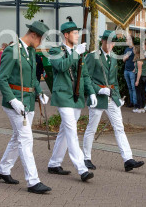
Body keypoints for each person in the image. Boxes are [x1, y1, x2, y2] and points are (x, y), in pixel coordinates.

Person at [0, 21, 52, 194]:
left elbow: (34, 77)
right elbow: (2, 79)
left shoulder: (31, 51)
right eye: (41, 38)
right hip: (15, 102)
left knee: (17, 137)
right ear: (33, 35)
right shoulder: (12, 51)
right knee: (26, 140)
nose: (41, 42)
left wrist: (39, 91)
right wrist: (13, 100)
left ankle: (3, 169)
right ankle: (33, 181)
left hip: (27, 101)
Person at [83, 30, 145, 172]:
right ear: (102, 41)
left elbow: (115, 81)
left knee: (119, 128)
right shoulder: (92, 57)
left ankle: (128, 159)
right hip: (98, 97)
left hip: (111, 97)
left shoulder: (113, 57)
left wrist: (117, 96)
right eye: (108, 42)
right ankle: (86, 158)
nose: (111, 45)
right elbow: (85, 78)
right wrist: (98, 90)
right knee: (91, 128)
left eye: (113, 42)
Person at [47, 18, 96, 182]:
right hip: (62, 96)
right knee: (72, 132)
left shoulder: (78, 52)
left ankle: (54, 163)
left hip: (76, 97)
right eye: (74, 33)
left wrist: (92, 93)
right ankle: (82, 169)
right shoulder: (55, 51)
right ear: (66, 35)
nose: (77, 35)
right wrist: (76, 53)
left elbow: (86, 75)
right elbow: (60, 66)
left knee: (64, 132)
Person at [123, 37, 136, 108]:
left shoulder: (135, 49)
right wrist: (125, 58)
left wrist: (135, 68)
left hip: (132, 71)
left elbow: (138, 59)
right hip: (126, 70)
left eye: (127, 40)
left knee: (133, 88)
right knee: (129, 87)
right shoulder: (126, 49)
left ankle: (135, 103)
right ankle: (131, 102)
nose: (126, 41)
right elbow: (123, 60)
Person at [133, 46, 146, 113]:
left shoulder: (139, 60)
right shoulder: (143, 58)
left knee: (138, 93)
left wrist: (137, 80)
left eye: (134, 49)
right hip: (144, 77)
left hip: (139, 77)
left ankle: (139, 107)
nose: (133, 50)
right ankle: (142, 107)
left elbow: (139, 70)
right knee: (142, 92)